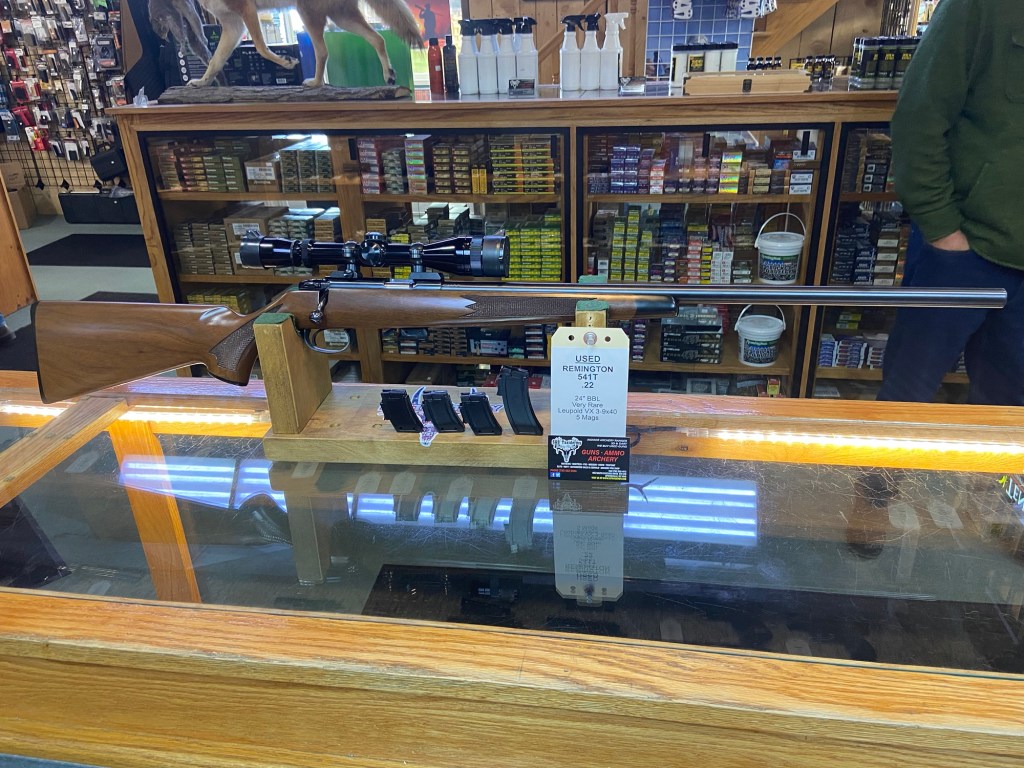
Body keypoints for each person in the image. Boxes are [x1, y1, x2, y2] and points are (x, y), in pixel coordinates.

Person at [878, 0, 1024, 405]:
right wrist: (942, 229)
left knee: (1008, 412)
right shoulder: (981, 7)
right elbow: (918, 118)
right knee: (906, 397)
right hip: (964, 249)